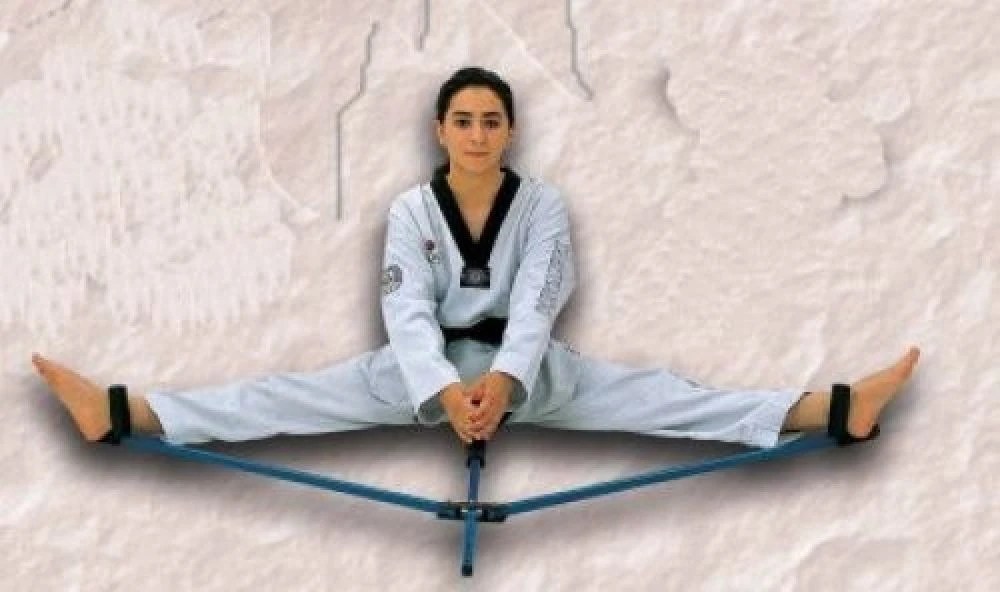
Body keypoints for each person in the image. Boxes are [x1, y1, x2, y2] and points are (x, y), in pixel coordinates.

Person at [33, 67, 920, 450]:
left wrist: (501, 382)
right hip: (423, 376)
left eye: (492, 121)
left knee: (665, 395)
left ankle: (835, 410)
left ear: (510, 131)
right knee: (281, 395)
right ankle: (119, 412)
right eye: (463, 120)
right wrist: (442, 391)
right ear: (440, 130)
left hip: (524, 374)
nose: (478, 133)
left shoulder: (544, 207)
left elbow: (538, 302)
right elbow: (406, 310)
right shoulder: (409, 210)